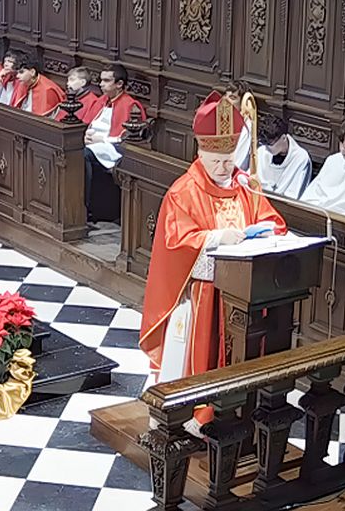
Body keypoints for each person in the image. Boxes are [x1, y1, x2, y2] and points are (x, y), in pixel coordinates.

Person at [139, 91, 286, 436]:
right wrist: (217, 238)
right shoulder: (184, 191)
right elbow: (175, 243)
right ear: (200, 153)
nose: (223, 167)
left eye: (228, 159)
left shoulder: (245, 186)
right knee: (203, 350)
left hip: (241, 292)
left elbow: (273, 222)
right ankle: (191, 409)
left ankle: (229, 409)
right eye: (216, 160)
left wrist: (263, 233)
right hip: (202, 295)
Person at [82, 64, 146, 223]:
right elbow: (88, 122)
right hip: (94, 143)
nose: (101, 84)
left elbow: (126, 137)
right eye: (101, 80)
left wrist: (101, 140)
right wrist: (85, 135)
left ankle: (85, 206)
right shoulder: (102, 101)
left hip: (114, 148)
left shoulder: (130, 105)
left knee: (84, 154)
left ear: (119, 84)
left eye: (106, 81)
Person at [254, 115, 312, 199]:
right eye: (264, 144)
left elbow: (295, 193)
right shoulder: (262, 151)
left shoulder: (301, 158)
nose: (266, 149)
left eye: (270, 144)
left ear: (284, 138)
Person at [223, 81, 252, 172]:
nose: (227, 101)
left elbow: (237, 160)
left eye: (232, 98)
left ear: (243, 102)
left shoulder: (246, 127)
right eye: (226, 96)